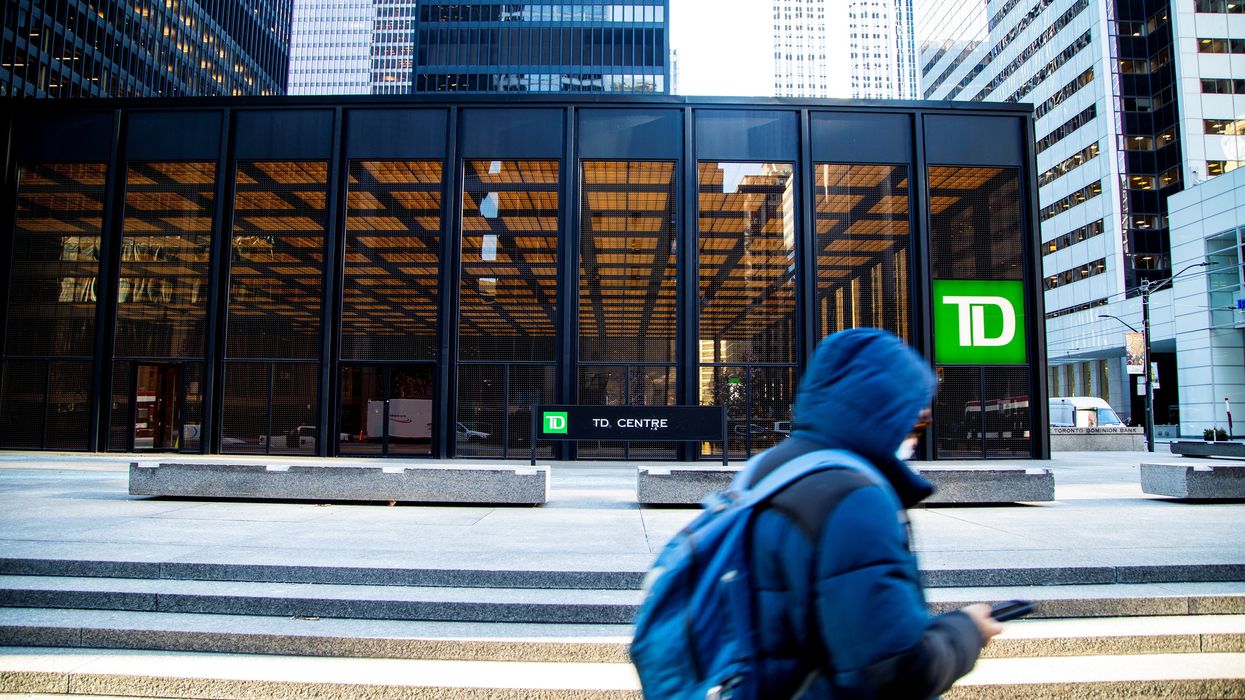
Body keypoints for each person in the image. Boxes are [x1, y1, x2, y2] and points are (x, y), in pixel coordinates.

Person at [743, 328, 1003, 698]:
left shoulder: (767, 468)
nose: (916, 436)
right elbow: (892, 671)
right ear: (882, 413)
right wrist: (966, 631)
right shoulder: (853, 499)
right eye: (915, 421)